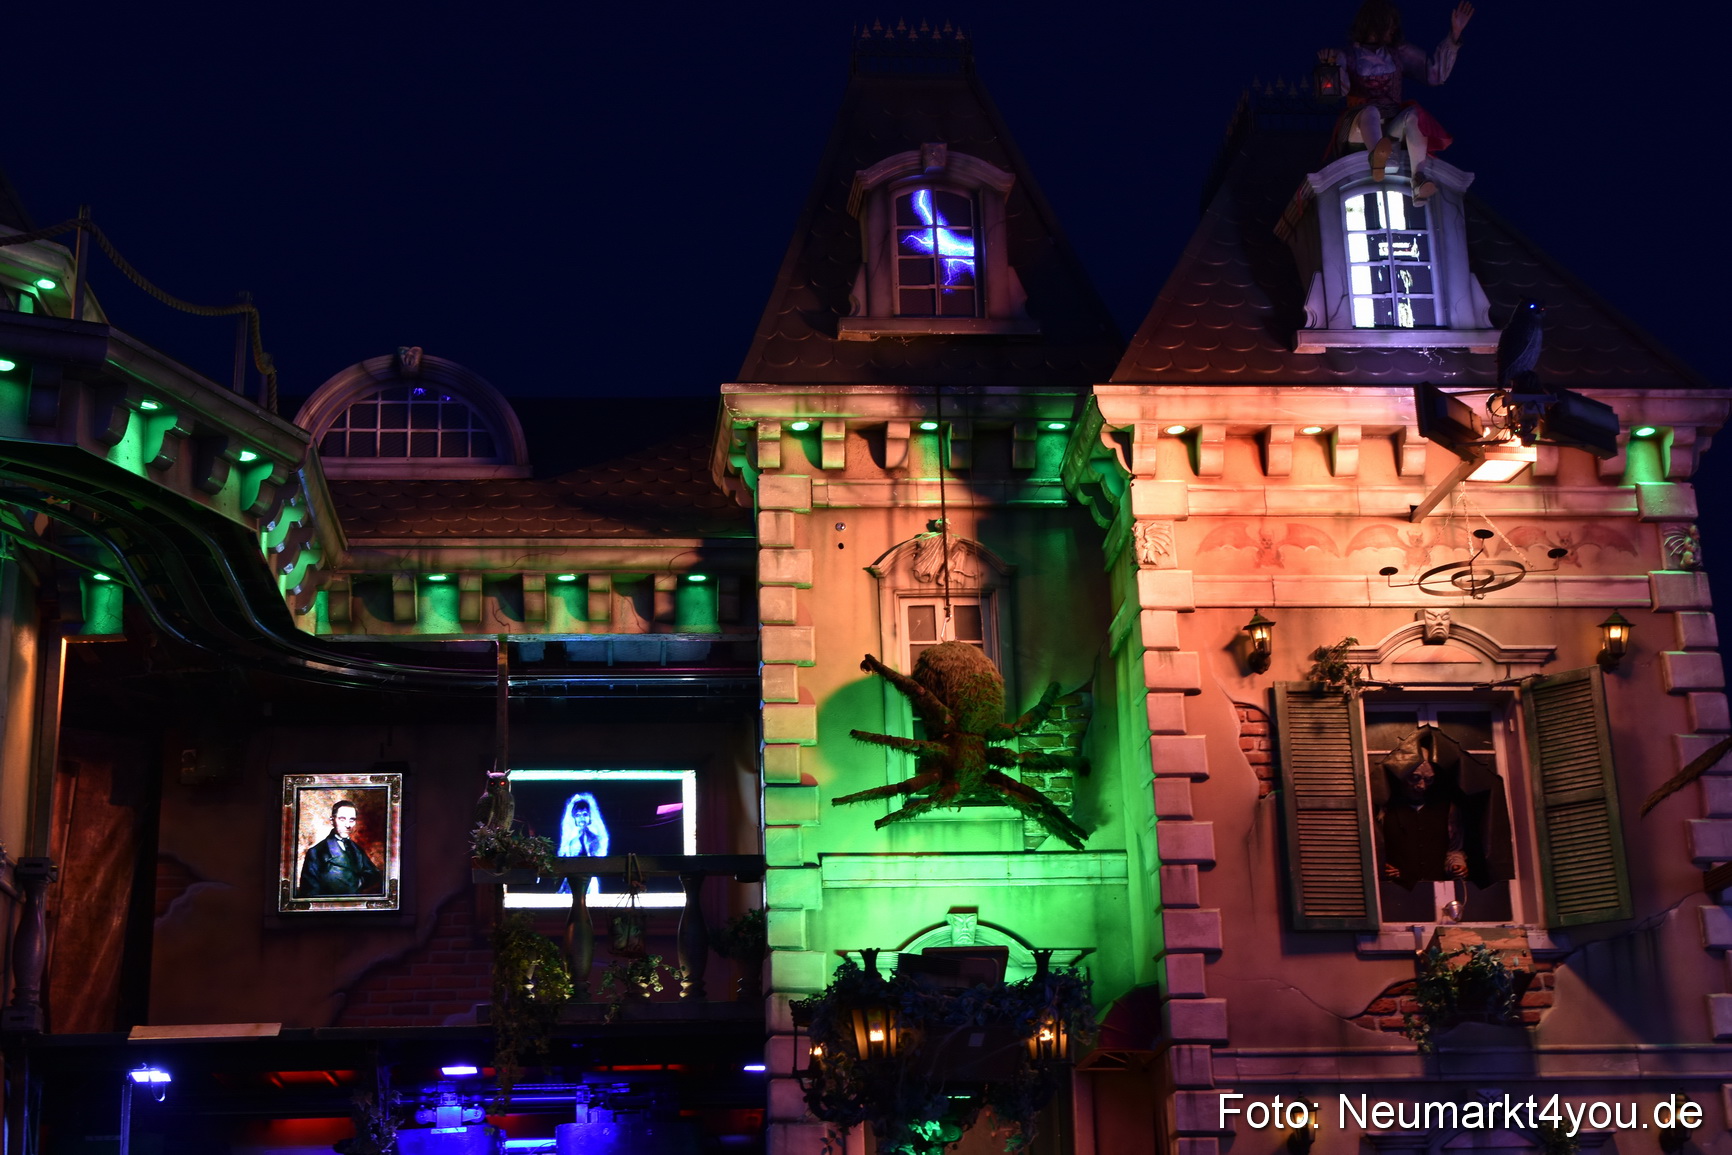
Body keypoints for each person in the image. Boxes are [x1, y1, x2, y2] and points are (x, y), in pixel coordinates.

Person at [1319, 0, 1474, 206]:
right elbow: (1340, 90)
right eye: (1390, 23)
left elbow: (1434, 74)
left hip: (1390, 126)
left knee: (1414, 115)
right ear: (1375, 23)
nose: (1393, 29)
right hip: (1358, 126)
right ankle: (1377, 157)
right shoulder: (1346, 55)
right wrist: (1330, 65)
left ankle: (1418, 180)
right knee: (1371, 111)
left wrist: (1454, 35)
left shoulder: (1397, 53)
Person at [299, 799, 383, 896]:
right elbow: (309, 893)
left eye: (352, 820)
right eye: (342, 819)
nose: (348, 825)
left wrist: (358, 882)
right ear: (332, 821)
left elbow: (374, 874)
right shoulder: (316, 852)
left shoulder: (356, 849)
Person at [556, 792, 609, 896]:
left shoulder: (595, 839)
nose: (581, 818)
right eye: (578, 815)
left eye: (585, 814)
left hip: (589, 882)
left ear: (589, 817)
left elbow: (598, 862)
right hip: (571, 882)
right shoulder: (571, 840)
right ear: (574, 818)